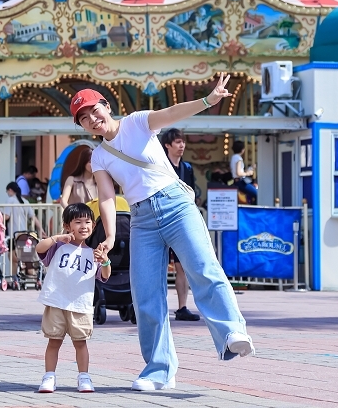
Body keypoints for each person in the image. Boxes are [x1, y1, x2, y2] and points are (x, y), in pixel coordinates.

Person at [71, 75, 253, 391]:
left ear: (106, 105)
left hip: (175, 203)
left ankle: (232, 333)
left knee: (203, 269)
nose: (92, 120)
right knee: (145, 294)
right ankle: (159, 370)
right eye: (83, 119)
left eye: (93, 111)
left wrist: (208, 101)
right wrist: (110, 236)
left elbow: (170, 113)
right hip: (141, 219)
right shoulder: (99, 156)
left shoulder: (136, 123)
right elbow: (106, 197)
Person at [35, 203, 111, 393]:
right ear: (68, 226)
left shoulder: (94, 253)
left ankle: (84, 377)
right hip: (57, 302)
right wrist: (56, 238)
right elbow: (39, 248)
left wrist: (105, 260)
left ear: (93, 226)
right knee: (54, 341)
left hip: (81, 305)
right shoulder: (58, 246)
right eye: (78, 222)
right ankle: (49, 377)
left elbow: (105, 275)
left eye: (87, 222)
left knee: (80, 343)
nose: (83, 226)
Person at [160, 128, 200, 322]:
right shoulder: (160, 166)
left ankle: (182, 306)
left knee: (181, 266)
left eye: (182, 141)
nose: (181, 145)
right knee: (157, 266)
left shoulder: (188, 169)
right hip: (160, 220)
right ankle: (157, 306)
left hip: (180, 221)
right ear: (167, 145)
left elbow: (191, 194)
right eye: (177, 142)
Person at [230, 140, 257, 205]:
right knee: (258, 194)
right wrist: (248, 173)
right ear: (242, 149)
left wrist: (250, 168)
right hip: (241, 182)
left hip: (237, 181)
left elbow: (240, 171)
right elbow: (239, 173)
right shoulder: (238, 158)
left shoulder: (233, 157)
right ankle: (253, 211)